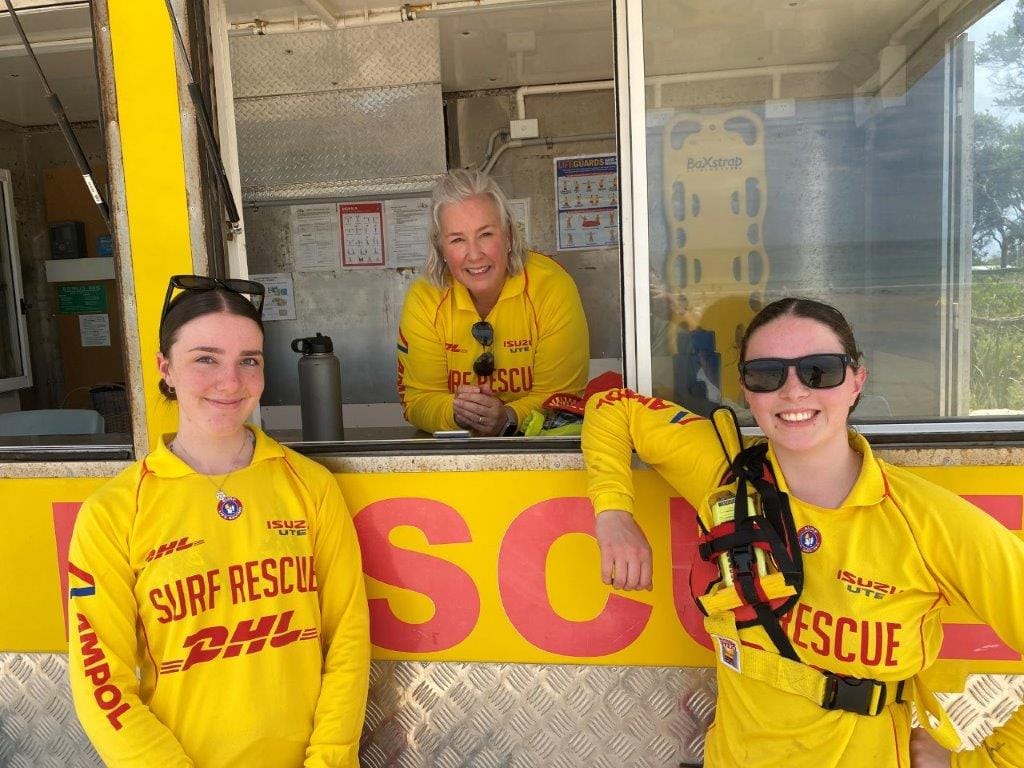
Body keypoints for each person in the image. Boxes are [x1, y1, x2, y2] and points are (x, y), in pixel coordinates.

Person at [581, 296, 1024, 768]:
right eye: (767, 374)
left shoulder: (927, 521)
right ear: (746, 391)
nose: (793, 392)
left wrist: (974, 763)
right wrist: (613, 513)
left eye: (820, 370)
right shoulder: (728, 473)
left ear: (857, 381)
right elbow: (611, 408)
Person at [67, 275, 370, 767]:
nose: (231, 382)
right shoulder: (114, 511)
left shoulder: (311, 486)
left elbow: (347, 640)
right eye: (205, 358)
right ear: (165, 368)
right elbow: (101, 683)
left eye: (248, 361)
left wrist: (329, 760)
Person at [397, 168, 590, 436]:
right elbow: (418, 402)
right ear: (440, 248)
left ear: (509, 235)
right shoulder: (425, 297)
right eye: (457, 240)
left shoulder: (552, 287)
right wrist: (459, 412)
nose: (474, 255)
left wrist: (508, 418)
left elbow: (562, 397)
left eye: (486, 234)